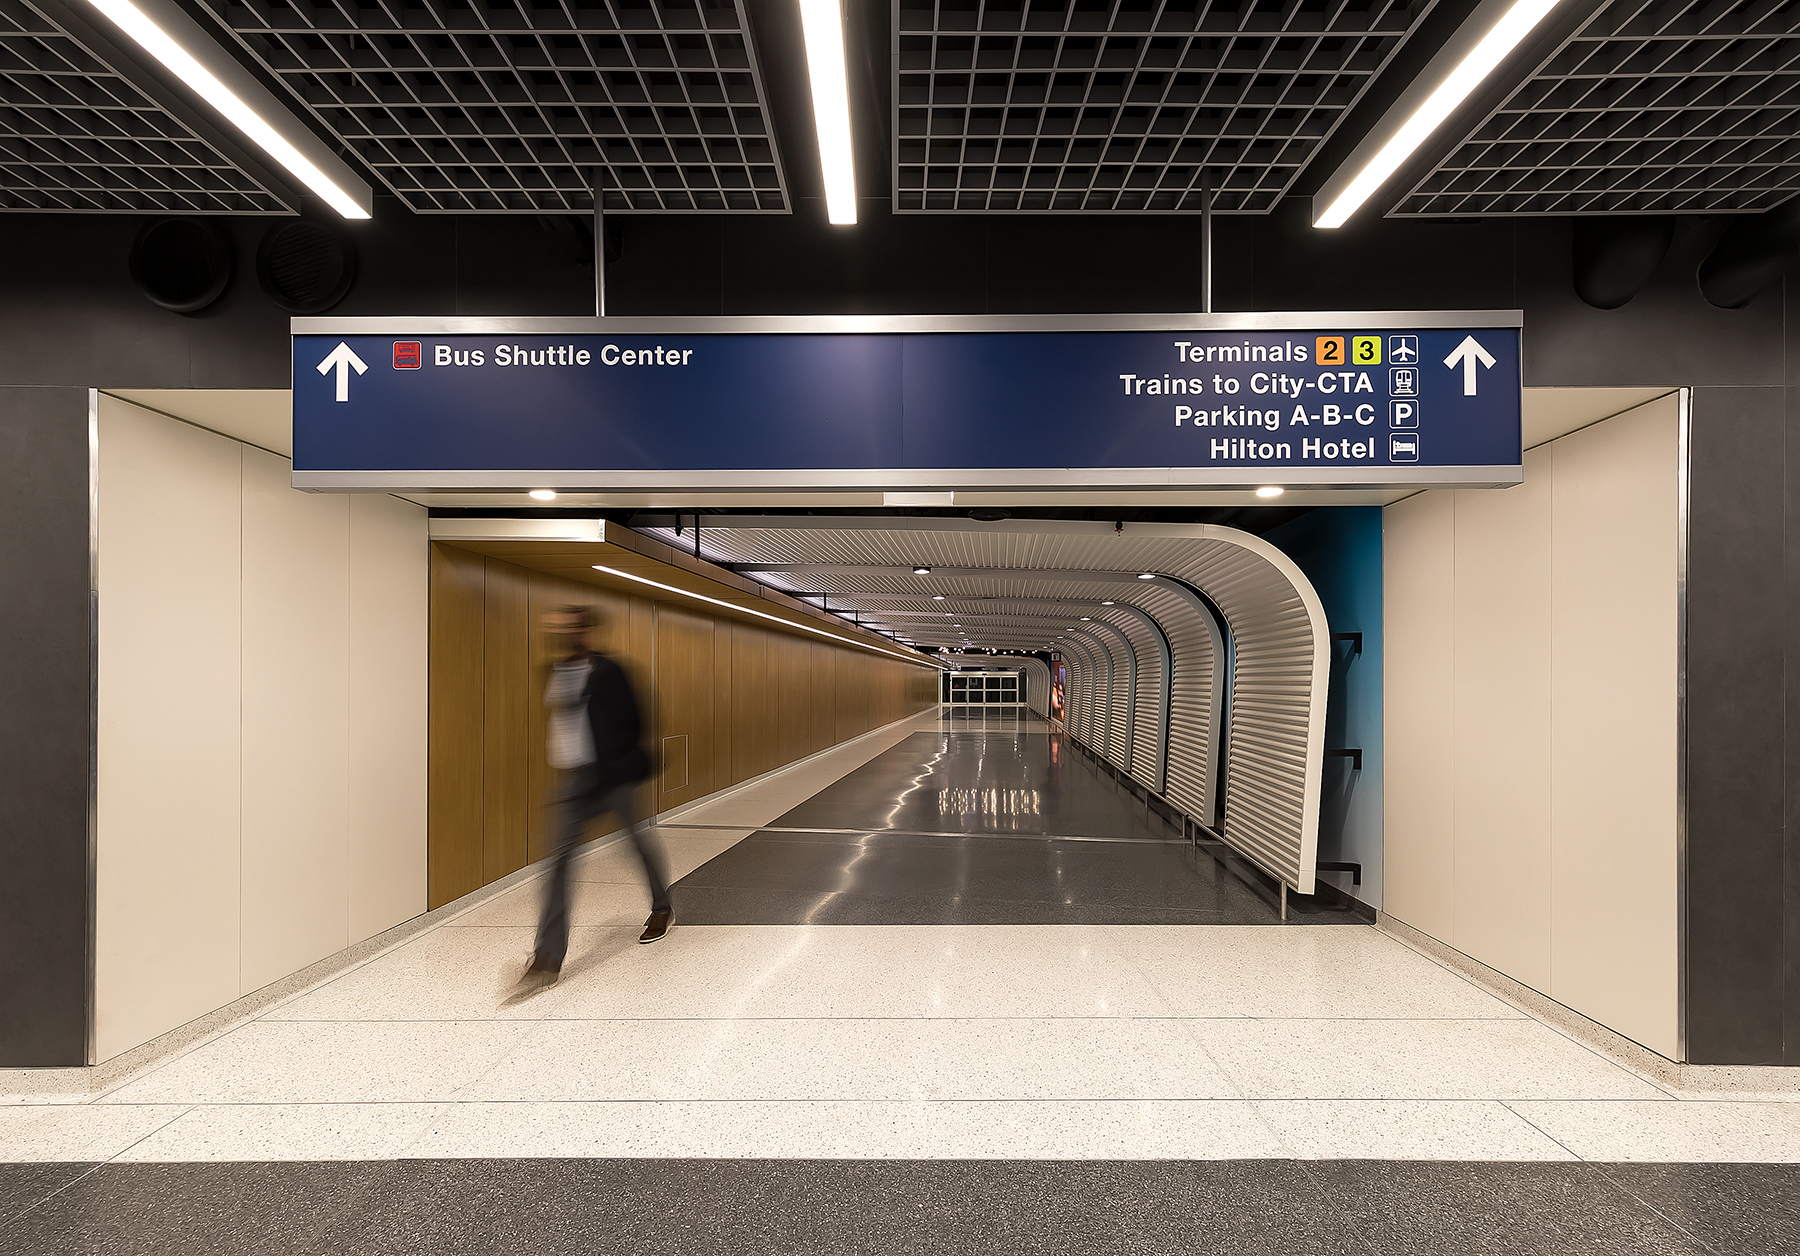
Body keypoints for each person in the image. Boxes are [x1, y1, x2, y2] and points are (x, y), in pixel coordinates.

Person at [517, 604, 671, 994]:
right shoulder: (552, 672)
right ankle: (548, 958)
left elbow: (637, 719)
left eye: (575, 627)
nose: (568, 634)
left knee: (637, 843)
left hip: (612, 777)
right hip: (573, 782)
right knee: (558, 863)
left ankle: (662, 906)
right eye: (563, 627)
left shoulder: (610, 671)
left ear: (587, 630)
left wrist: (616, 761)